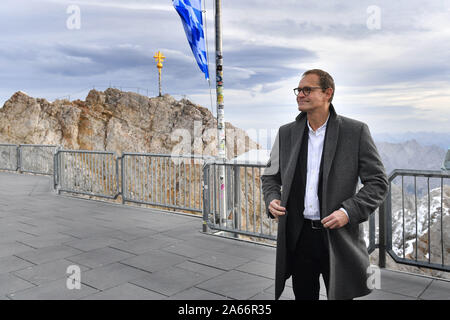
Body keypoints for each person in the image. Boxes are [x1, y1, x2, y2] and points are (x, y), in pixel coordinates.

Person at [261, 69, 388, 300]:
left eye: (307, 89)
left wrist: (347, 212)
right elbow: (270, 176)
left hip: (337, 238)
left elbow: (378, 183)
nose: (300, 94)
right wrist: (271, 199)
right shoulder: (286, 132)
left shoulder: (355, 131)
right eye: (298, 90)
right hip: (299, 238)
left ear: (327, 93)